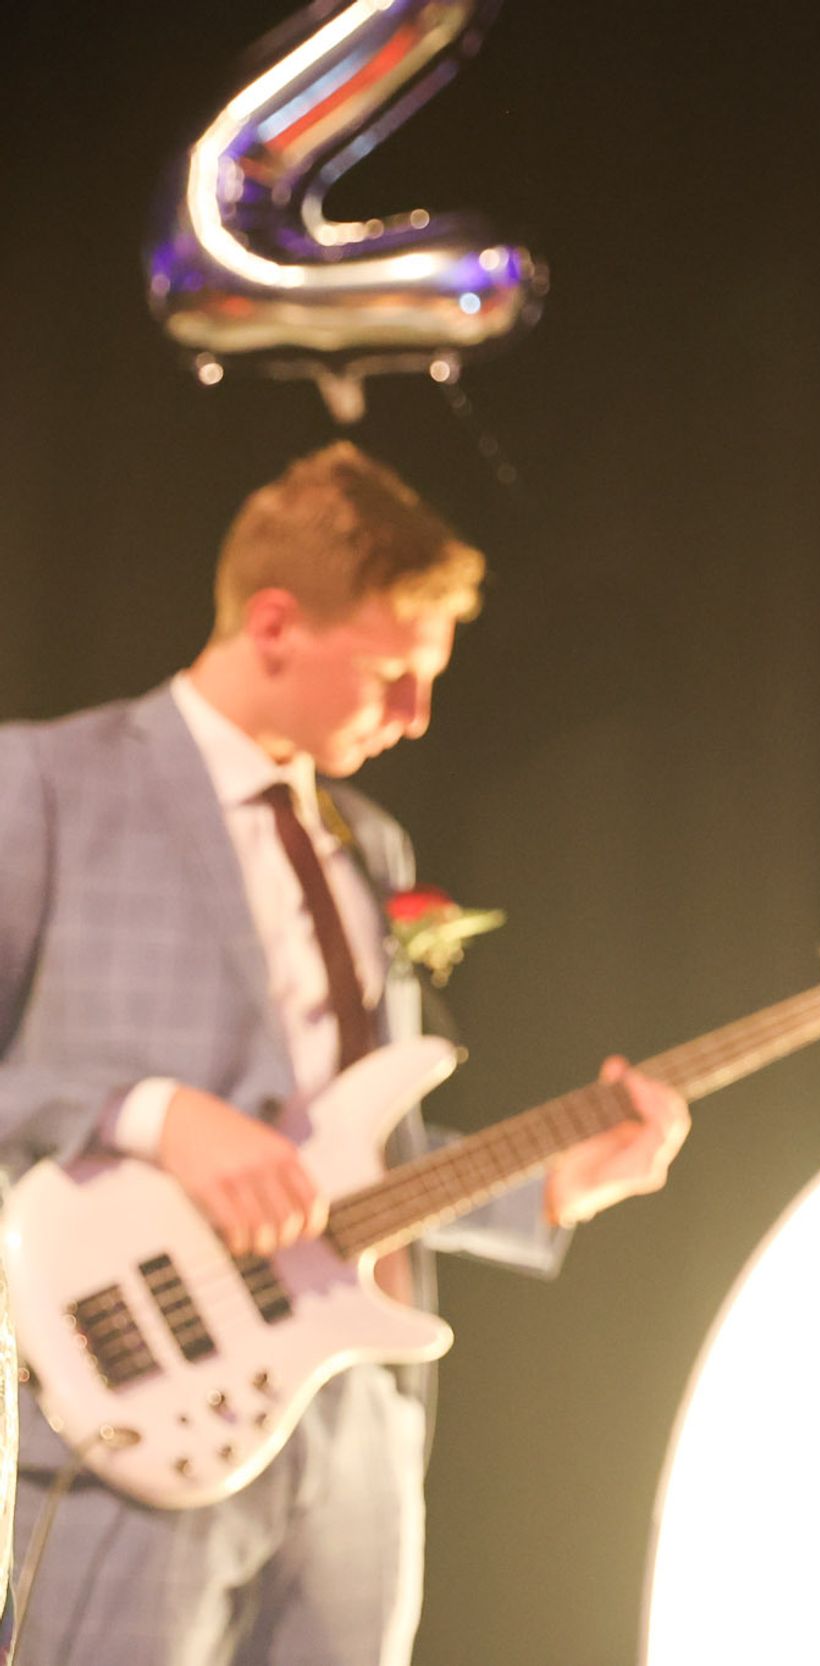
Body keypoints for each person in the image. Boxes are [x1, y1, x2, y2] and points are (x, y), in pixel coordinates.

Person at [0, 442, 691, 1666]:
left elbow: (360, 1153)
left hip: (351, 1419)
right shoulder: (45, 783)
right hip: (131, 1402)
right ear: (274, 624)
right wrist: (150, 1114)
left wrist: (545, 1188)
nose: (416, 714)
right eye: (390, 674)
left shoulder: (368, 842)